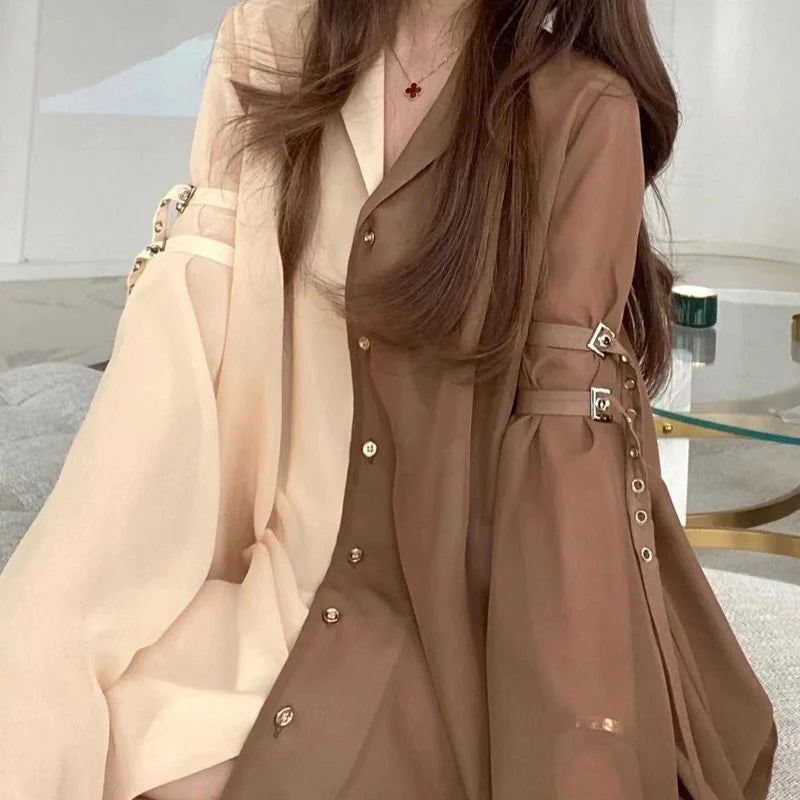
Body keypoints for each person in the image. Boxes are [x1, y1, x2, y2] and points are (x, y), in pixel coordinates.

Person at [0, 0, 778, 798]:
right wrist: (53, 631)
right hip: (272, 597)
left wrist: (583, 752)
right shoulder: (270, 40)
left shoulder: (583, 111)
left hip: (465, 632)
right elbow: (179, 368)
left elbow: (563, 471)